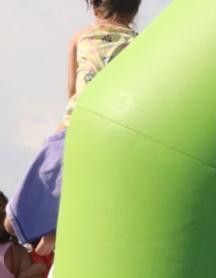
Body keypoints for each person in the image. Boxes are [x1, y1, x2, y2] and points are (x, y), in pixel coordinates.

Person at [5, 1, 141, 247]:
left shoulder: (81, 38)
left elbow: (71, 93)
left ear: (94, 5)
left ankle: (51, 230)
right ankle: (52, 231)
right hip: (116, 134)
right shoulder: (139, 45)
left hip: (77, 129)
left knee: (10, 223)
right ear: (136, 9)